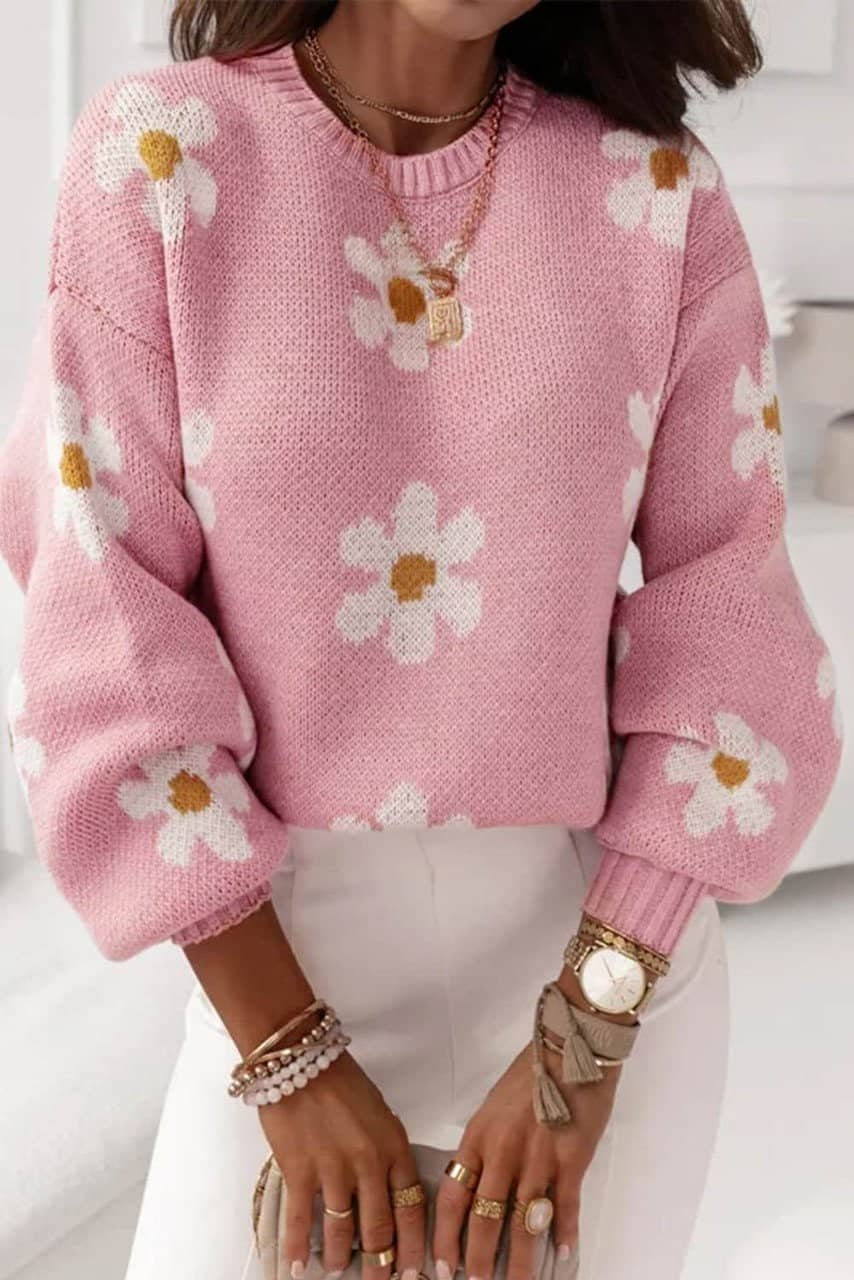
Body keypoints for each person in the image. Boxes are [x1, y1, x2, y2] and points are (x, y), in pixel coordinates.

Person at [0, 1, 843, 1277]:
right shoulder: (162, 157)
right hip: (277, 963)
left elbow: (733, 626)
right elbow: (100, 624)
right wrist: (286, 1053)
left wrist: (581, 1038)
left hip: (600, 967)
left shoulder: (656, 193)